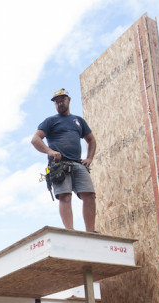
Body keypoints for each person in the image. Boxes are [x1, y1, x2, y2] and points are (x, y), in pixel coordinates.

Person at [31, 88, 98, 232]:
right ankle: (70, 231)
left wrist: (89, 158)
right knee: (65, 196)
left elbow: (91, 140)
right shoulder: (50, 121)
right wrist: (50, 151)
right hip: (59, 165)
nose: (59, 103)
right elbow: (35, 139)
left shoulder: (78, 121)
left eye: (62, 100)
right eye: (56, 102)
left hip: (77, 163)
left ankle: (91, 232)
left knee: (90, 195)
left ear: (69, 100)